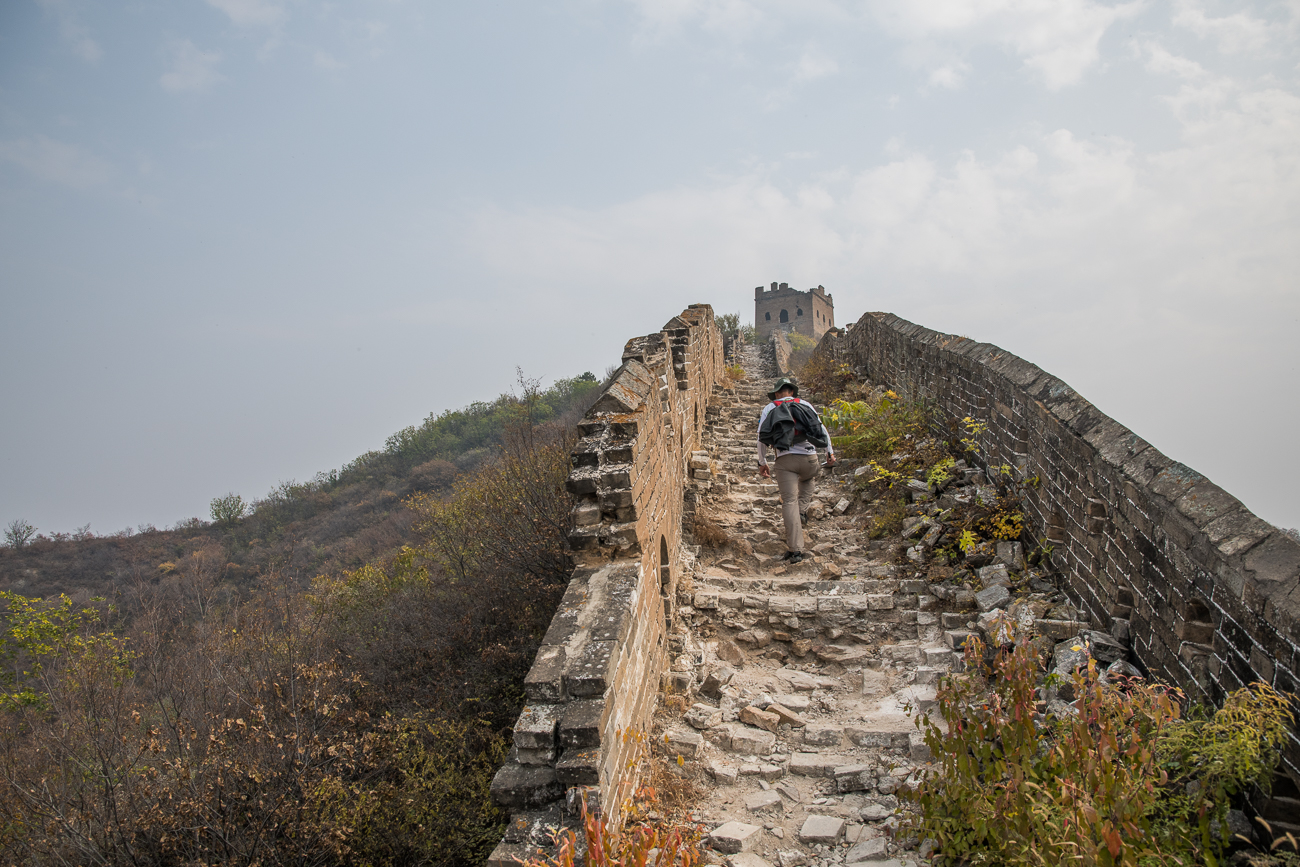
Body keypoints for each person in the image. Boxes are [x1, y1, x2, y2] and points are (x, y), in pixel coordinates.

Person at [757, 377, 835, 564]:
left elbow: (761, 438)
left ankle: (795, 550)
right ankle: (802, 511)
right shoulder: (805, 404)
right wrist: (829, 452)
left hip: (785, 460)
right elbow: (821, 429)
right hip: (810, 458)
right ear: (791, 392)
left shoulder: (770, 408)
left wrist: (762, 462)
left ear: (777, 393)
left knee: (789, 501)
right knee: (809, 478)